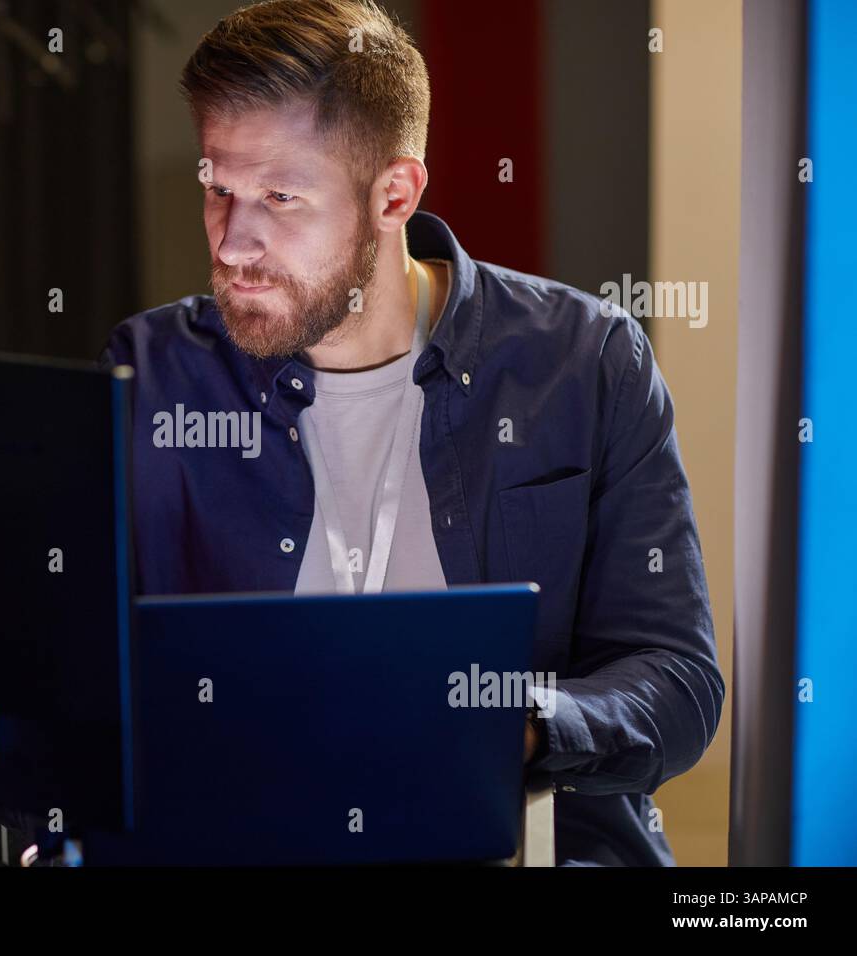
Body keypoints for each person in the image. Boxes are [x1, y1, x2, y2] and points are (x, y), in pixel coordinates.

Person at [100, 0, 723, 867]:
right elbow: (87, 667)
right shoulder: (156, 370)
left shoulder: (584, 360)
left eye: (281, 196)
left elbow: (678, 682)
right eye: (218, 188)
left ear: (395, 194)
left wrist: (523, 724)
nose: (234, 244)